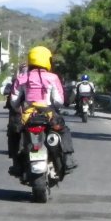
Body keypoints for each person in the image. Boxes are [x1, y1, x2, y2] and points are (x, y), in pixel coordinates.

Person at [8, 45, 78, 173]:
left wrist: (19, 109)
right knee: (63, 130)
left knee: (14, 131)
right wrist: (54, 108)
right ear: (47, 60)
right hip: (48, 113)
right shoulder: (53, 78)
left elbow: (14, 101)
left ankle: (16, 162)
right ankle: (67, 159)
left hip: (28, 115)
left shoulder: (22, 78)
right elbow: (59, 101)